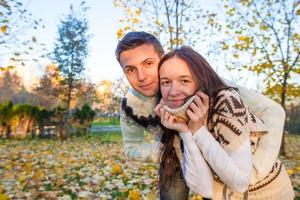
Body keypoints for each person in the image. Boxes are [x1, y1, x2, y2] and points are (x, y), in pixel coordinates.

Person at [115, 31, 287, 200]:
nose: (142, 76)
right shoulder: (130, 105)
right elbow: (131, 147)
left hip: (215, 153)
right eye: (130, 70)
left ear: (164, 59)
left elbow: (274, 111)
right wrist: (164, 150)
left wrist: (256, 171)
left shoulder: (209, 85)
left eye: (148, 63)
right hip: (173, 158)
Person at [155, 46, 294, 199]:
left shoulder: (226, 101)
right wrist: (185, 132)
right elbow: (205, 188)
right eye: (166, 82)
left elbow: (240, 183)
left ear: (200, 81)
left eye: (184, 80)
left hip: (268, 194)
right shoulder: (175, 117)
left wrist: (199, 131)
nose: (173, 91)